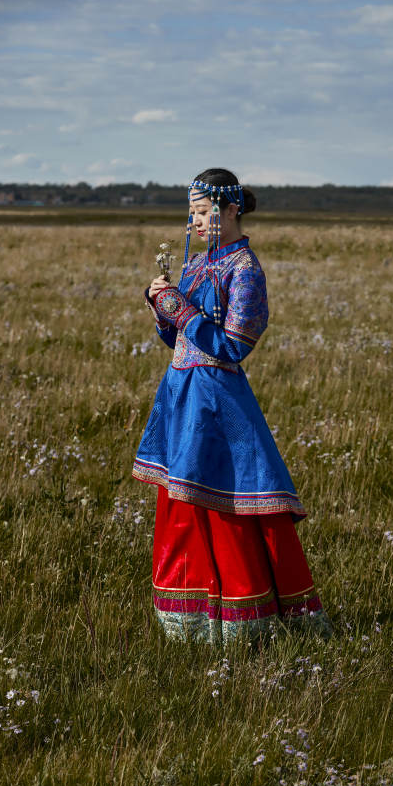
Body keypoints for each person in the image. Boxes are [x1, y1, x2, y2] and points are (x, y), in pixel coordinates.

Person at [133, 168, 331, 644]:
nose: (194, 223)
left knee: (226, 507)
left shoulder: (246, 269)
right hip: (182, 396)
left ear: (229, 209)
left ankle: (245, 620)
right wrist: (163, 309)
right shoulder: (198, 265)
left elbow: (234, 344)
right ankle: (191, 621)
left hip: (218, 404)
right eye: (191, 214)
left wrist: (180, 310)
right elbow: (180, 335)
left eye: (202, 212)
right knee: (183, 507)